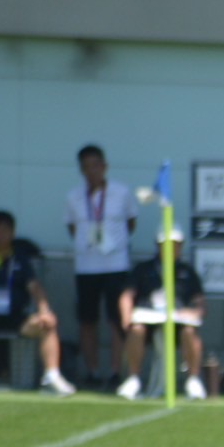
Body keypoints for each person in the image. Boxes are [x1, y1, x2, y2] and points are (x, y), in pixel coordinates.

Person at [66, 144, 139, 387]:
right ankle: (93, 371)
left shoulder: (121, 192)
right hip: (86, 266)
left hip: (116, 264)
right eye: (86, 167)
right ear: (81, 170)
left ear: (104, 166)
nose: (92, 171)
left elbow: (131, 223)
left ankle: (116, 371)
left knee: (116, 319)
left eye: (96, 165)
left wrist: (113, 244)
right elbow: (72, 228)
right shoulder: (74, 197)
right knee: (87, 320)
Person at [0, 210, 76, 396]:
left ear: (12, 233)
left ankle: (52, 377)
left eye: (4, 230)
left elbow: (34, 287)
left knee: (46, 324)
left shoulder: (20, 257)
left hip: (14, 317)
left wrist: (44, 310)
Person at [116, 227, 207, 402]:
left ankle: (193, 380)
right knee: (136, 330)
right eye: (168, 244)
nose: (172, 248)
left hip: (178, 321)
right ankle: (133, 378)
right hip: (148, 318)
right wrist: (126, 317)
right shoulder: (143, 269)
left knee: (189, 332)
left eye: (176, 245)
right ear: (158, 246)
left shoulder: (187, 271)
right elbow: (127, 295)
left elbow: (199, 300)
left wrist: (196, 312)